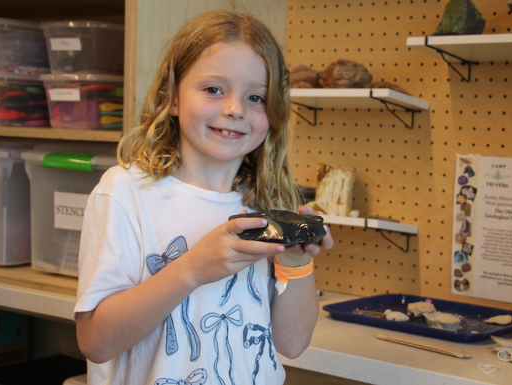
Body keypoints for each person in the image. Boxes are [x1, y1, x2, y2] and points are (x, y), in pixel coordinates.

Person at [74, 8, 333, 385]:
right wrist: (191, 269)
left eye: (256, 98)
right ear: (172, 97)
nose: (234, 110)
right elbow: (95, 341)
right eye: (213, 89)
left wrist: (296, 261)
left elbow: (293, 344)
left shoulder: (266, 206)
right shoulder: (125, 193)